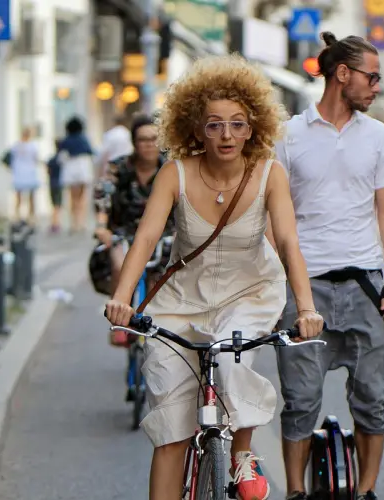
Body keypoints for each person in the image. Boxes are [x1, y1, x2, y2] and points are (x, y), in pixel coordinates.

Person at [104, 54, 323, 500]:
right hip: (181, 301)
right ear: (195, 128)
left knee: (229, 359)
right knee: (171, 427)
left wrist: (306, 309)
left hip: (250, 292)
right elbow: (145, 240)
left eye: (238, 124)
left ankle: (241, 452)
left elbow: (287, 242)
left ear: (254, 126)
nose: (227, 135)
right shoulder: (176, 174)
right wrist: (123, 298)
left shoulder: (269, 174)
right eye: (215, 125)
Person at [273, 31, 384, 500]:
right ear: (342, 74)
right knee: (301, 401)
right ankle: (295, 491)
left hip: (365, 285)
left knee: (373, 400)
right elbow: (276, 213)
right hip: (305, 286)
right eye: (371, 77)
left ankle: (367, 491)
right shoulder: (288, 135)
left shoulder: (379, 136)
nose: (376, 87)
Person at [94, 114, 172, 354]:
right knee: (119, 261)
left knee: (164, 274)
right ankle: (120, 318)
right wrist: (102, 226)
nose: (148, 144)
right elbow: (103, 195)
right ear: (134, 143)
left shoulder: (170, 167)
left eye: (153, 139)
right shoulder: (119, 167)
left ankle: (162, 324)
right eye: (142, 140)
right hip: (125, 231)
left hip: (165, 232)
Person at [58, 116, 95, 233]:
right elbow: (91, 152)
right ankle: (82, 222)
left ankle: (74, 223)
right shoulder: (83, 139)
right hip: (83, 168)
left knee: (72, 198)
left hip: (71, 170)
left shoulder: (66, 140)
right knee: (82, 198)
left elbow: (61, 155)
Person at [9, 127, 41, 224]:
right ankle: (30, 215)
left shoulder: (16, 146)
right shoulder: (32, 146)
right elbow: (36, 159)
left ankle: (18, 215)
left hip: (19, 172)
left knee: (19, 196)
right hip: (29, 172)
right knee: (30, 196)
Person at [46, 138, 64, 233]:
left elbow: (48, 171)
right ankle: (55, 223)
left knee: (54, 204)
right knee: (58, 205)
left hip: (52, 183)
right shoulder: (62, 159)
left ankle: (54, 223)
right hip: (59, 183)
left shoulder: (51, 159)